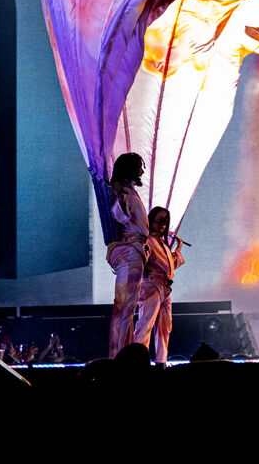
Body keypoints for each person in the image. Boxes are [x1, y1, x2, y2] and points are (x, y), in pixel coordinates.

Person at [107, 152, 148, 357]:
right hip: (130, 251)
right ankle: (119, 357)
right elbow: (119, 215)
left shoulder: (129, 191)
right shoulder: (121, 191)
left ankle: (123, 354)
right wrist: (120, 197)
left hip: (135, 251)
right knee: (124, 308)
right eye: (139, 166)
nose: (142, 171)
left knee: (127, 308)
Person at [133, 206, 185, 363]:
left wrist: (177, 249)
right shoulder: (147, 240)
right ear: (152, 220)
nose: (163, 224)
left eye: (166, 221)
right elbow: (141, 260)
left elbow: (169, 266)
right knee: (145, 325)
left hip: (165, 287)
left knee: (165, 327)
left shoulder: (161, 243)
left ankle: (161, 361)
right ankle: (137, 362)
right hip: (152, 285)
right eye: (160, 220)